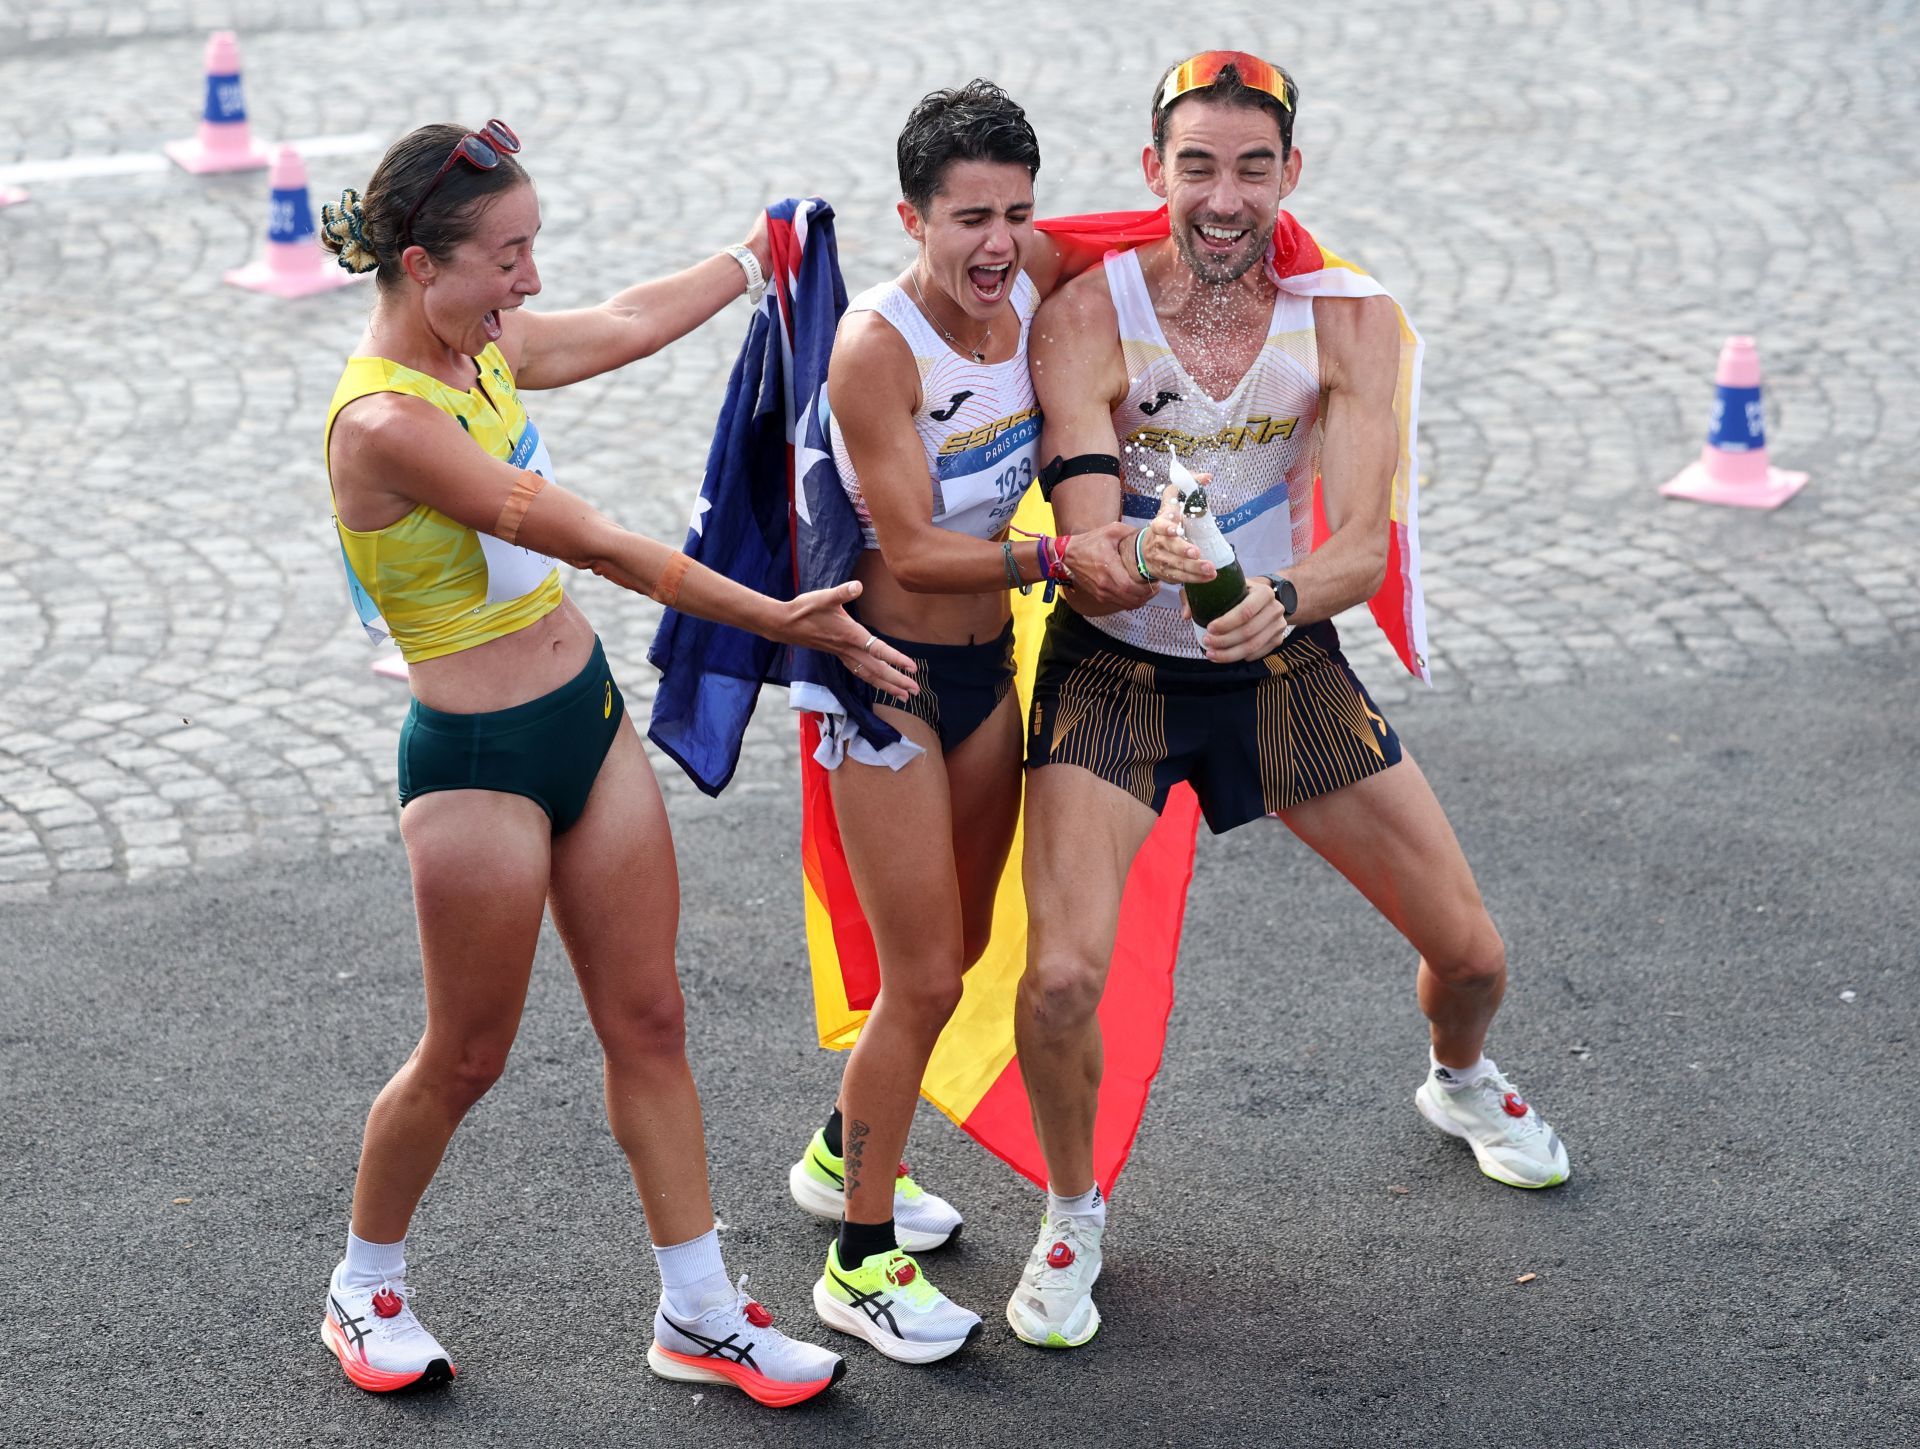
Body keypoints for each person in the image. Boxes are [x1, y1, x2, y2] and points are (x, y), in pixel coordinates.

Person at [315, 119, 919, 1406]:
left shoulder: (483, 349)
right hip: (475, 761)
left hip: (586, 724)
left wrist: (750, 261)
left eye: (533, 249)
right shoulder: (383, 425)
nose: (529, 280)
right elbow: (592, 539)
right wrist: (776, 616)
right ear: (421, 264)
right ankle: (365, 1283)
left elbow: (626, 322)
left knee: (649, 1020)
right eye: (508, 256)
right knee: (466, 1056)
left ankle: (700, 1311)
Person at [1011, 51, 1571, 1348]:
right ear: (1152, 171)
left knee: (1476, 956)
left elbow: (1362, 547)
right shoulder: (1090, 312)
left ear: (1290, 177)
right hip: (1116, 669)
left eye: (1251, 169)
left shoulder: (1352, 319)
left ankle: (1461, 1081)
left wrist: (1286, 596)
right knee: (1057, 982)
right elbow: (1086, 519)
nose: (1223, 197)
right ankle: (1070, 1207)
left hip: (1279, 656)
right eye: (1196, 165)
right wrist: (1120, 547)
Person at [787, 82, 1148, 1365]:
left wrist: (1260, 236)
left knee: (969, 941)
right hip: (881, 688)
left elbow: (1129, 240)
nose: (998, 246)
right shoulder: (877, 348)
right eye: (968, 221)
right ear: (912, 218)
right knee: (925, 974)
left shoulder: (1033, 271)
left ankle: (843, 1154)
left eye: (1016, 213)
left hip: (986, 675)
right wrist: (1063, 560)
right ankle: (857, 1262)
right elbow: (926, 549)